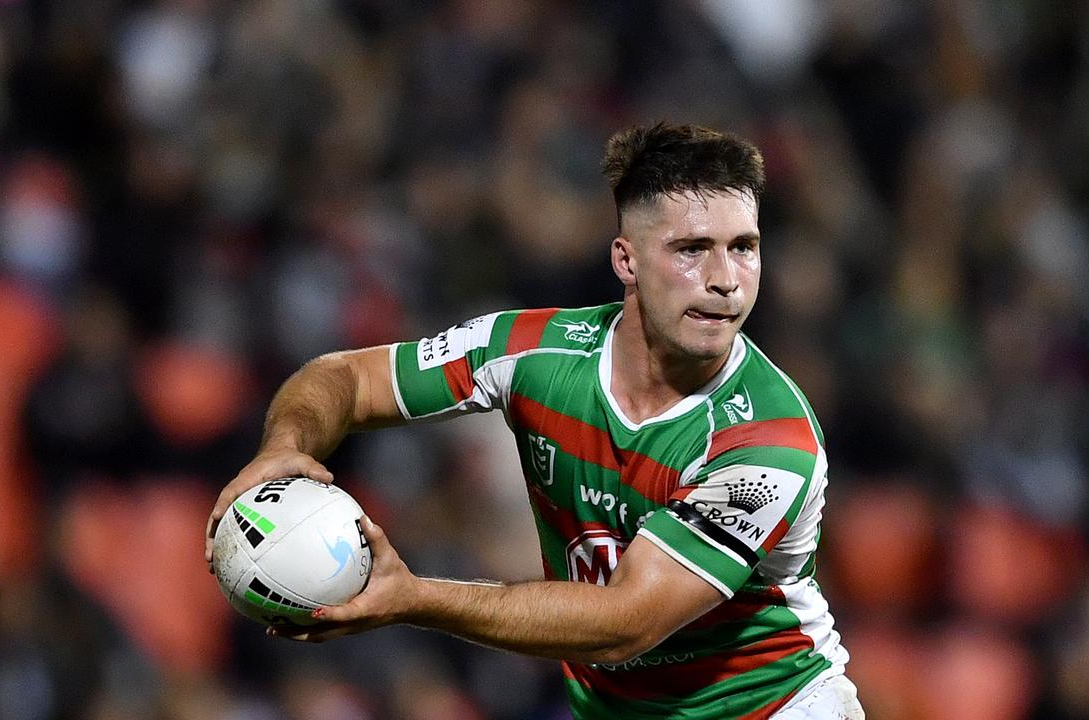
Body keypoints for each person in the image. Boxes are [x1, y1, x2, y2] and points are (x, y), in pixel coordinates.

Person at [206, 123, 864, 719]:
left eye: (744, 247)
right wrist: (283, 447)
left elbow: (627, 622)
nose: (726, 280)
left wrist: (413, 598)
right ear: (626, 260)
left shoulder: (768, 441)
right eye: (692, 249)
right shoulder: (533, 354)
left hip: (774, 708)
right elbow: (346, 377)